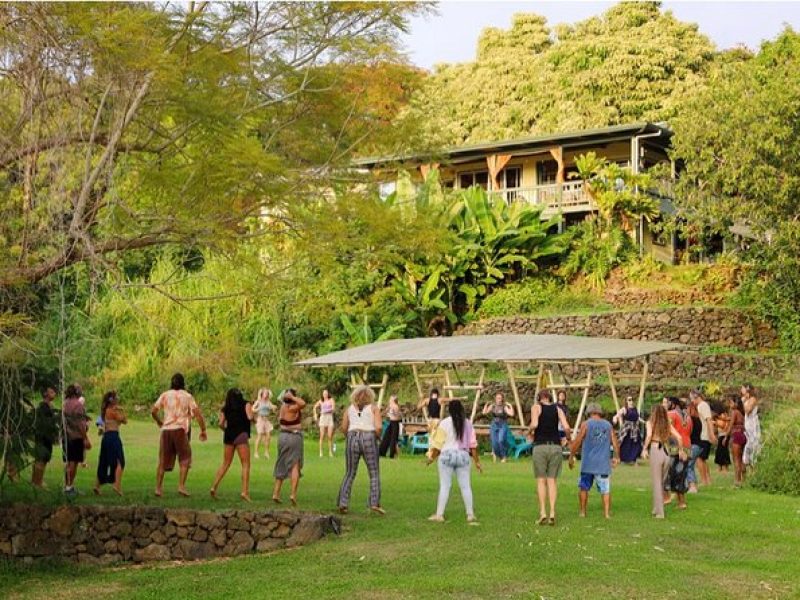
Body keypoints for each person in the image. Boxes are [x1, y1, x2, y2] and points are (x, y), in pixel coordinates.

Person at [151, 373, 207, 497]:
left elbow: (153, 411)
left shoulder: (165, 395)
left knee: (162, 460)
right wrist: (203, 429)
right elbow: (197, 414)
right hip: (180, 430)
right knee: (185, 458)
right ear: (183, 383)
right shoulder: (187, 396)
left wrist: (160, 421)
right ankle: (181, 486)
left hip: (166, 430)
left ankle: (158, 488)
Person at [427, 399, 482, 523]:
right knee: (466, 486)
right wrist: (477, 462)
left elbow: (438, 444)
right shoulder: (467, 423)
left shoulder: (444, 423)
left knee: (445, 486)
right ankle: (470, 514)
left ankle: (439, 514)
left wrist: (431, 458)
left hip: (447, 455)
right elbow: (473, 446)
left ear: (449, 410)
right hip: (463, 455)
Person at [337, 385, 384, 515]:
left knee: (350, 472)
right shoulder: (374, 409)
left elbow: (344, 427)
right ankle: (374, 502)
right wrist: (378, 437)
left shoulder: (349, 409)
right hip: (369, 436)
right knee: (374, 473)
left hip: (352, 436)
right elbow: (379, 427)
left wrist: (349, 437)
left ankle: (343, 502)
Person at [568, 403, 619, 519]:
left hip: (588, 463)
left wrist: (571, 455)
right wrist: (616, 457)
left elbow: (578, 441)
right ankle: (606, 514)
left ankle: (582, 512)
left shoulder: (585, 424)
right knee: (605, 489)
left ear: (588, 413)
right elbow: (615, 442)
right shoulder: (608, 425)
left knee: (584, 487)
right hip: (603, 464)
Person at [529, 389, 572, 526]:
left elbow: (535, 424)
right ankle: (552, 512)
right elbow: (566, 427)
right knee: (552, 480)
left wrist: (528, 431)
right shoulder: (558, 409)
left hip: (540, 446)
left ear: (539, 398)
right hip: (555, 446)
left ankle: (543, 512)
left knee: (541, 480)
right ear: (549, 398)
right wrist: (567, 439)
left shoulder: (536, 407)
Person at [642, 403, 687, 519]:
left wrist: (644, 449)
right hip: (666, 453)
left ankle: (660, 513)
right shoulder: (667, 424)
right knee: (661, 482)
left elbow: (649, 435)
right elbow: (679, 437)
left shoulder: (650, 423)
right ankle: (656, 508)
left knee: (657, 483)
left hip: (655, 449)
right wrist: (681, 450)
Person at [210, 388, 254, 501]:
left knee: (225, 463)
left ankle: (214, 487)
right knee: (245, 464)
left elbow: (220, 423)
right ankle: (244, 492)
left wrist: (226, 430)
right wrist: (255, 417)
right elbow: (250, 417)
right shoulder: (246, 404)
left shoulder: (226, 408)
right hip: (241, 435)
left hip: (229, 435)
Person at [272, 388, 306, 506]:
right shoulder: (292, 408)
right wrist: (292, 397)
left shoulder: (282, 407)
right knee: (295, 465)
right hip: (293, 437)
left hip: (282, 437)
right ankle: (292, 494)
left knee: (281, 462)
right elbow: (303, 403)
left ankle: (276, 493)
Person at [93, 391, 127, 496]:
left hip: (106, 438)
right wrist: (122, 410)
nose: (118, 399)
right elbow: (124, 420)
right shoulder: (112, 411)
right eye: (116, 398)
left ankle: (97, 486)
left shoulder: (105, 411)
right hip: (113, 437)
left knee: (104, 460)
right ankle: (116, 485)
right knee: (120, 461)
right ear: (112, 400)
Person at [62, 384, 91, 495]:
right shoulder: (78, 405)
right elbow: (80, 424)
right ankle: (69, 487)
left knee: (69, 462)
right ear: (76, 392)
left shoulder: (65, 404)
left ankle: (68, 486)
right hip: (76, 437)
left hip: (66, 437)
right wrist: (85, 438)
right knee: (73, 463)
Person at [665, 397, 692, 510]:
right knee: (681, 474)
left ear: (672, 403)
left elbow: (668, 430)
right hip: (687, 446)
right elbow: (690, 431)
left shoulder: (671, 414)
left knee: (674, 474)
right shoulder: (688, 416)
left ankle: (680, 502)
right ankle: (677, 499)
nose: (665, 405)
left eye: (666, 402)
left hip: (676, 447)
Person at [31, 387, 59, 489]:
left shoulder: (48, 406)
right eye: (51, 392)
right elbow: (47, 423)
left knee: (41, 459)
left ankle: (36, 481)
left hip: (44, 437)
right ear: (45, 394)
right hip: (43, 437)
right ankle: (38, 482)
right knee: (42, 459)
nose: (54, 393)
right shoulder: (44, 407)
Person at [689, 390, 716, 486]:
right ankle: (708, 480)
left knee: (699, 459)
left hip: (703, 436)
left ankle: (704, 480)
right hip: (703, 436)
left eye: (692, 399)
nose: (691, 401)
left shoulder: (703, 406)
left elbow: (709, 420)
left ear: (696, 397)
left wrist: (711, 434)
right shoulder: (700, 406)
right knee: (703, 459)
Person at [482, 392, 514, 463]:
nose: (498, 399)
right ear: (495, 399)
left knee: (501, 440)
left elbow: (511, 414)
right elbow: (484, 413)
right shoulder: (493, 406)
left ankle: (504, 456)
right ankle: (501, 456)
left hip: (502, 424)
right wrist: (486, 405)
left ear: (502, 399)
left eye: (500, 398)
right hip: (494, 425)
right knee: (494, 443)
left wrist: (510, 406)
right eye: (497, 398)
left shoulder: (504, 406)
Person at [613, 396, 643, 465]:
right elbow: (617, 415)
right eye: (629, 400)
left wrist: (645, 422)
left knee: (636, 445)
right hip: (627, 429)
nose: (631, 401)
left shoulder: (635, 409)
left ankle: (634, 460)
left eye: (632, 399)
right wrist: (615, 419)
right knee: (625, 445)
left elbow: (638, 418)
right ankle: (624, 459)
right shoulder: (624, 409)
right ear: (626, 401)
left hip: (635, 429)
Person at [727, 394, 747, 487]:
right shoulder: (741, 413)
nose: (729, 404)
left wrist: (726, 437)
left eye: (730, 402)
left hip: (736, 435)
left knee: (736, 459)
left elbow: (731, 425)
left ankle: (737, 480)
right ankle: (744, 479)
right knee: (742, 458)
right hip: (743, 435)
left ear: (735, 403)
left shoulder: (734, 412)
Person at [742, 383, 762, 469]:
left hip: (753, 425)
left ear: (747, 390)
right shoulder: (746, 399)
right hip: (748, 425)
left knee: (754, 444)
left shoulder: (753, 399)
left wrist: (744, 402)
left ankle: (755, 466)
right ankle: (750, 466)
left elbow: (748, 411)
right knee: (749, 445)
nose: (741, 390)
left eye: (742, 388)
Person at [252, 388, 275, 459]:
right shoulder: (258, 401)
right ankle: (256, 453)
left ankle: (266, 452)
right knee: (260, 436)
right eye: (265, 393)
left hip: (266, 420)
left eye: (267, 393)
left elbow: (273, 408)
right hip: (260, 419)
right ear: (262, 394)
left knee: (268, 436)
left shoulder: (268, 402)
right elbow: (252, 409)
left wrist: (273, 408)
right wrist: (257, 409)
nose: (266, 395)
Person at [313, 389, 336, 458]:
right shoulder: (321, 401)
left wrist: (325, 411)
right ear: (322, 395)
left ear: (328, 394)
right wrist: (315, 414)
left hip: (329, 418)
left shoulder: (331, 400)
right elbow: (314, 407)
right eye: (324, 394)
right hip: (323, 419)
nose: (325, 395)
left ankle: (330, 452)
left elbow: (333, 409)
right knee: (322, 435)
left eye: (326, 393)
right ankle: (321, 451)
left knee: (329, 436)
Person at [686, 400, 702, 494]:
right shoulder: (698, 419)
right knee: (690, 465)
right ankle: (692, 485)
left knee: (689, 465)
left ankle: (692, 486)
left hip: (693, 445)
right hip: (699, 445)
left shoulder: (690, 419)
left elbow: (688, 432)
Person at [379, 394, 403, 458]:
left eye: (390, 399)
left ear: (393, 400)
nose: (389, 400)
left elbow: (398, 417)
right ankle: (381, 453)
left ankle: (392, 455)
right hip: (391, 423)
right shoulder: (390, 406)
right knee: (386, 437)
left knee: (393, 439)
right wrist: (381, 415)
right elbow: (385, 412)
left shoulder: (396, 406)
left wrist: (393, 413)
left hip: (395, 423)